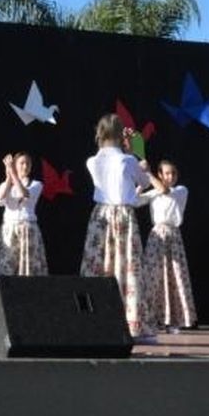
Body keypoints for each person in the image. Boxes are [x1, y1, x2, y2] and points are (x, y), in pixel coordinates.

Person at [80, 114, 153, 342]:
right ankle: (132, 325)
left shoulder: (92, 161)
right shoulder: (127, 160)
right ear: (121, 134)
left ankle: (91, 321)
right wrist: (133, 153)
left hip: (100, 216)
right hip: (122, 216)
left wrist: (127, 152)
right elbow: (145, 182)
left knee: (98, 266)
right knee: (126, 268)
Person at [139, 159, 196, 333]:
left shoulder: (181, 190)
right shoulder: (153, 192)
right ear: (160, 175)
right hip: (157, 237)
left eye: (173, 173)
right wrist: (141, 184)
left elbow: (164, 190)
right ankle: (152, 318)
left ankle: (174, 320)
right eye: (166, 173)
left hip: (173, 236)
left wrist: (147, 173)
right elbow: (134, 201)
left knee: (174, 276)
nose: (170, 177)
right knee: (153, 276)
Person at [0, 152, 48, 308]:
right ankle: (3, 308)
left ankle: (30, 307)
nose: (25, 166)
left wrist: (13, 174)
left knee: (27, 269)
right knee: (6, 268)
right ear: (15, 165)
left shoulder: (36, 184)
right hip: (9, 231)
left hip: (28, 230)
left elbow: (24, 194)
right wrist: (8, 178)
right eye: (21, 163)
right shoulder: (6, 184)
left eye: (28, 163)